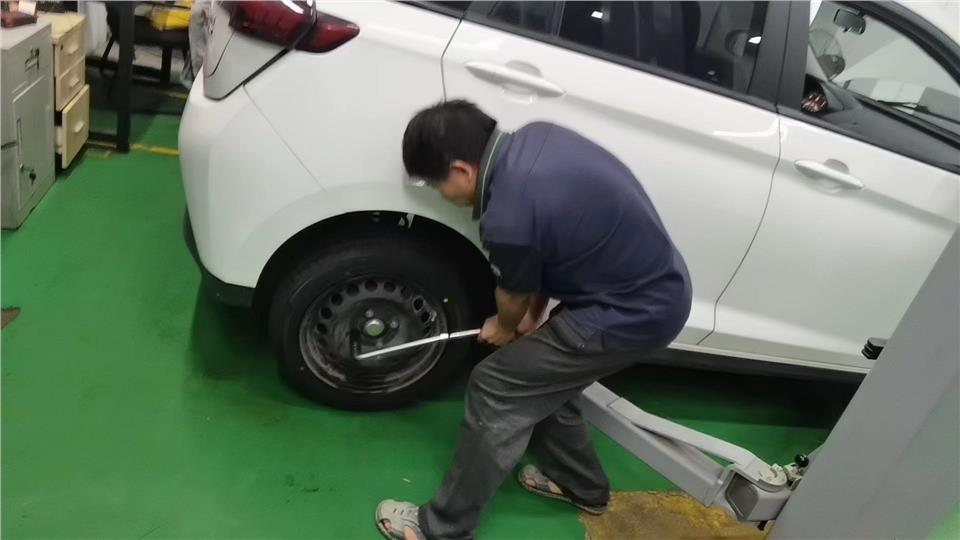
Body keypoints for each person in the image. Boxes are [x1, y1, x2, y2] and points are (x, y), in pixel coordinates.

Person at [376, 101, 692, 540]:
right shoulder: (537, 137)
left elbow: (512, 291)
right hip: (652, 289)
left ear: (463, 170)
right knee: (540, 378)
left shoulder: (506, 217)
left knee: (496, 386)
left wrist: (506, 326)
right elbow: (545, 249)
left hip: (629, 313)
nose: (440, 194)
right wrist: (533, 317)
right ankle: (581, 485)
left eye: (435, 184)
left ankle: (442, 528)